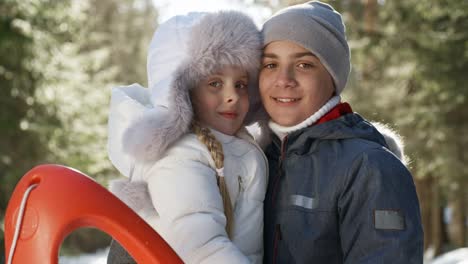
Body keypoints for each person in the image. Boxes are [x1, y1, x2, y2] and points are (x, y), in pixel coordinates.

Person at [258, 1, 424, 263]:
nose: (283, 79)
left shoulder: (371, 167)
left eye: (304, 65)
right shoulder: (255, 159)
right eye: (270, 65)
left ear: (332, 76)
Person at [105, 11, 267, 263]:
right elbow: (201, 247)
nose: (232, 95)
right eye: (215, 83)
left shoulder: (234, 143)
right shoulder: (179, 155)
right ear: (183, 92)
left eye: (241, 84)